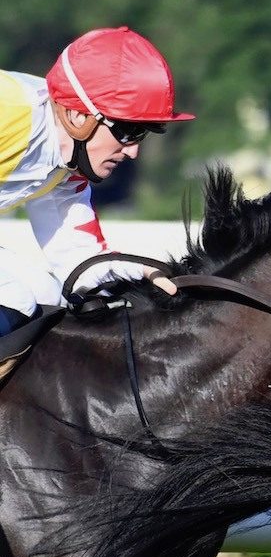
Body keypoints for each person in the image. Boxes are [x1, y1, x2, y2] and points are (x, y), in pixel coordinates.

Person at [0, 26, 192, 332]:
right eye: (127, 131)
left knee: (46, 294)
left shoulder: (67, 163)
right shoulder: (9, 113)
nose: (133, 151)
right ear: (78, 116)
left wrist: (139, 271)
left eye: (142, 133)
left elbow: (77, 259)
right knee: (17, 299)